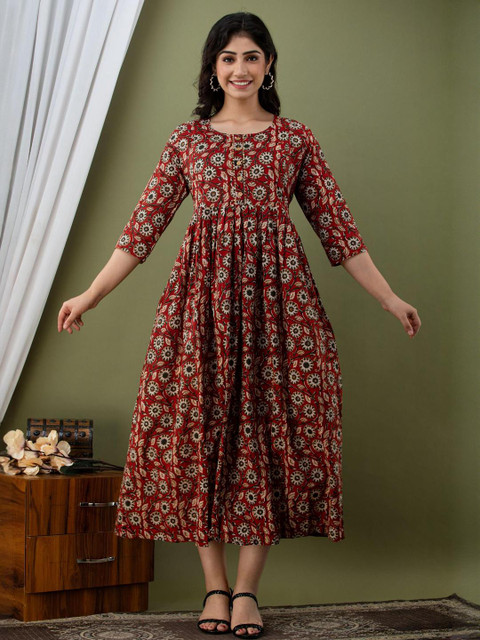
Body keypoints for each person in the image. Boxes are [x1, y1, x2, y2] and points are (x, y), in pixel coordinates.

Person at [57, 11, 421, 638]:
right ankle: (215, 587)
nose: (240, 69)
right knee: (201, 434)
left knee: (267, 437)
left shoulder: (295, 139)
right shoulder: (188, 141)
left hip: (279, 310)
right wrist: (89, 294)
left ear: (269, 64)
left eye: (251, 56)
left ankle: (248, 589)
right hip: (201, 310)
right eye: (228, 58)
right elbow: (142, 229)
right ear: (213, 68)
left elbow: (338, 228)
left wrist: (389, 298)